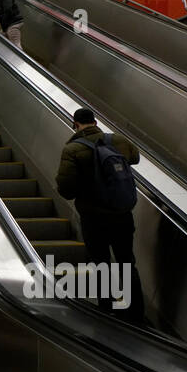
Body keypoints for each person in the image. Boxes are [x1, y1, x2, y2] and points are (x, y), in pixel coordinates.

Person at [55, 107, 144, 322]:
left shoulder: (72, 149)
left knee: (101, 261)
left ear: (74, 123)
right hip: (122, 214)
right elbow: (135, 157)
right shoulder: (119, 141)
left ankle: (108, 309)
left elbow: (66, 189)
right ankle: (135, 312)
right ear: (95, 121)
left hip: (94, 218)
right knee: (125, 260)